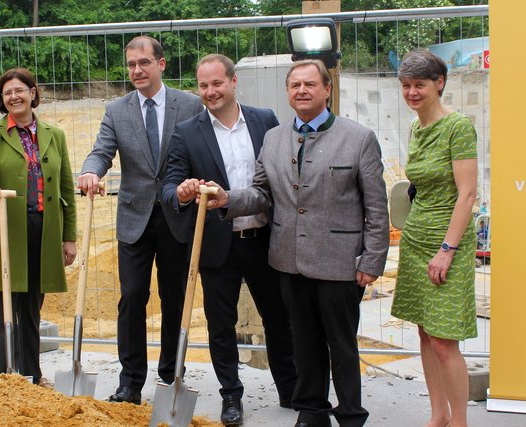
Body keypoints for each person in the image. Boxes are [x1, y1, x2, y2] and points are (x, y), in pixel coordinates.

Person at [183, 59, 389, 427]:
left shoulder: (358, 138)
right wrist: (227, 199)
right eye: (295, 85)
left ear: (327, 89)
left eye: (310, 84)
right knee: (304, 342)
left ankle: (351, 415)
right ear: (288, 93)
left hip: (339, 263)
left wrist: (371, 260)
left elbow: (376, 206)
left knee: (340, 345)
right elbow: (262, 193)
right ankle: (311, 412)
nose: (302, 91)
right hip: (288, 261)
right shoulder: (275, 139)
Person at [162, 54, 297, 425]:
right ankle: (231, 397)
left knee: (278, 318)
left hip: (265, 240)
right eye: (203, 85)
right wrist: (183, 192)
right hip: (217, 244)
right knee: (221, 326)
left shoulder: (265, 121)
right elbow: (169, 188)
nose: (209, 92)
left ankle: (291, 388)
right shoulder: (187, 132)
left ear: (234, 82)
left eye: (216, 83)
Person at [77, 36, 203, 405]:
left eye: (144, 63)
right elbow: (102, 151)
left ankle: (170, 376)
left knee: (174, 297)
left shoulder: (190, 104)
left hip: (178, 215)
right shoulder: (117, 110)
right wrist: (90, 172)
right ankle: (130, 381)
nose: (136, 70)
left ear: (161, 64)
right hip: (134, 217)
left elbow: (199, 150)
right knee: (132, 297)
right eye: (131, 64)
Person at [0, 67, 77, 386]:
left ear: (32, 92)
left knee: (31, 307)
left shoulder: (54, 135)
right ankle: (0, 378)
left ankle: (31, 373)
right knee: (3, 305)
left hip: (42, 230)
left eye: (19, 90)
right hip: (4, 228)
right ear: (2, 100)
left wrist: (69, 237)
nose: (14, 96)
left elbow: (66, 187)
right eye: (7, 93)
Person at [391, 49, 478, 427]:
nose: (412, 92)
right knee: (426, 333)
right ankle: (437, 415)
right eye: (406, 85)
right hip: (415, 240)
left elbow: (468, 194)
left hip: (448, 244)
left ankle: (459, 421)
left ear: (439, 83)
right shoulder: (416, 127)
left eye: (419, 85)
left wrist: (447, 250)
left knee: (444, 341)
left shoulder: (458, 127)